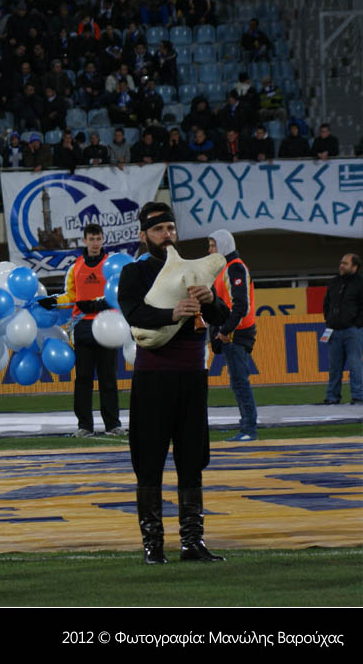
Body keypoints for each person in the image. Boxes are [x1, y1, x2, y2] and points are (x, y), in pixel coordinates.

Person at [118, 202, 230, 565]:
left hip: (192, 378)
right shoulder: (135, 272)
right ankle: (153, 545)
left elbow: (222, 318)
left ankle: (192, 542)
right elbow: (134, 313)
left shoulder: (194, 269)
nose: (167, 235)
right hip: (152, 378)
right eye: (158, 230)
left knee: (192, 459)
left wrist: (212, 302)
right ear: (143, 236)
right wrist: (171, 313)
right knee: (148, 460)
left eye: (170, 228)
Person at [39, 224, 125, 438]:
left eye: (98, 238)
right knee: (83, 379)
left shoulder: (112, 265)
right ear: (84, 241)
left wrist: (101, 304)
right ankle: (84, 426)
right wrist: (53, 301)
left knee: (108, 378)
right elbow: (69, 296)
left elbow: (121, 293)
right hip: (83, 328)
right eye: (91, 239)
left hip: (108, 326)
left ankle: (113, 424)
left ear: (103, 240)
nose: (95, 243)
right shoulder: (75, 267)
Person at [208, 230, 258, 441]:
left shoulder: (235, 267)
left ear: (223, 245)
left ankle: (248, 429)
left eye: (212, 245)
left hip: (236, 334)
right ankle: (246, 427)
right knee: (237, 382)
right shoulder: (224, 269)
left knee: (240, 382)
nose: (209, 250)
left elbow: (240, 306)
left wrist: (225, 330)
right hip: (232, 333)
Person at [322, 254, 363, 405]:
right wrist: (329, 320)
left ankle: (358, 396)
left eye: (345, 263)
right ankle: (332, 397)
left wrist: (357, 323)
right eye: (341, 263)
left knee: (355, 365)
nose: (341, 266)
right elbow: (327, 303)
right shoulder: (334, 282)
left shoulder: (360, 283)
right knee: (334, 367)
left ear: (355, 266)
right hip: (334, 330)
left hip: (353, 330)